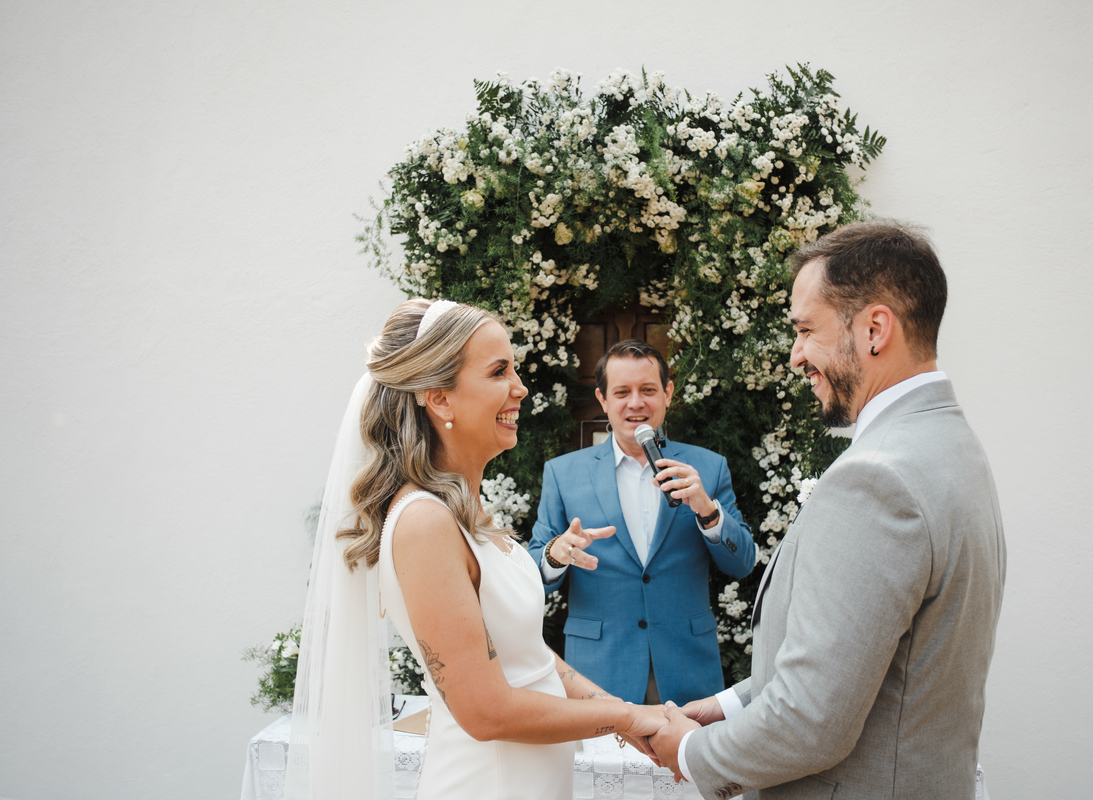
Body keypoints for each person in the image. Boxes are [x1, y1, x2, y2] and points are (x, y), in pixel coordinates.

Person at [648, 221, 1007, 800]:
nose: (796, 357)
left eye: (806, 330)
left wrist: (690, 753)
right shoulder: (953, 447)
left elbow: (811, 720)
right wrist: (726, 704)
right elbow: (872, 662)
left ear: (874, 329)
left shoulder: (878, 478)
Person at [284, 299, 668, 800]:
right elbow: (486, 711)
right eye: (498, 371)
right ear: (440, 398)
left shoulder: (464, 508)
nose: (520, 387)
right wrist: (626, 716)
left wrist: (624, 713)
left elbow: (529, 658)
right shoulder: (424, 522)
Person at [528, 339, 756, 707]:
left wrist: (707, 510)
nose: (636, 403)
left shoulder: (709, 468)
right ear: (603, 399)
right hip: (599, 674)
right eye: (622, 392)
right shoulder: (563, 473)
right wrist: (556, 555)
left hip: (687, 673)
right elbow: (535, 576)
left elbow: (742, 563)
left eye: (648, 390)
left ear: (667, 393)